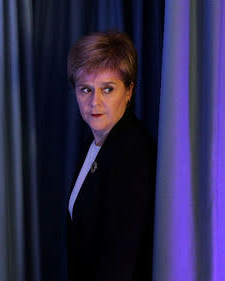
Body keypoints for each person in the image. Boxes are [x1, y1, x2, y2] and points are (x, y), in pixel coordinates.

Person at [66, 31, 157, 281]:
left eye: (108, 89)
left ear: (129, 92)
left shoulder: (135, 152)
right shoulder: (92, 144)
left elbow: (121, 260)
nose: (94, 102)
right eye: (85, 89)